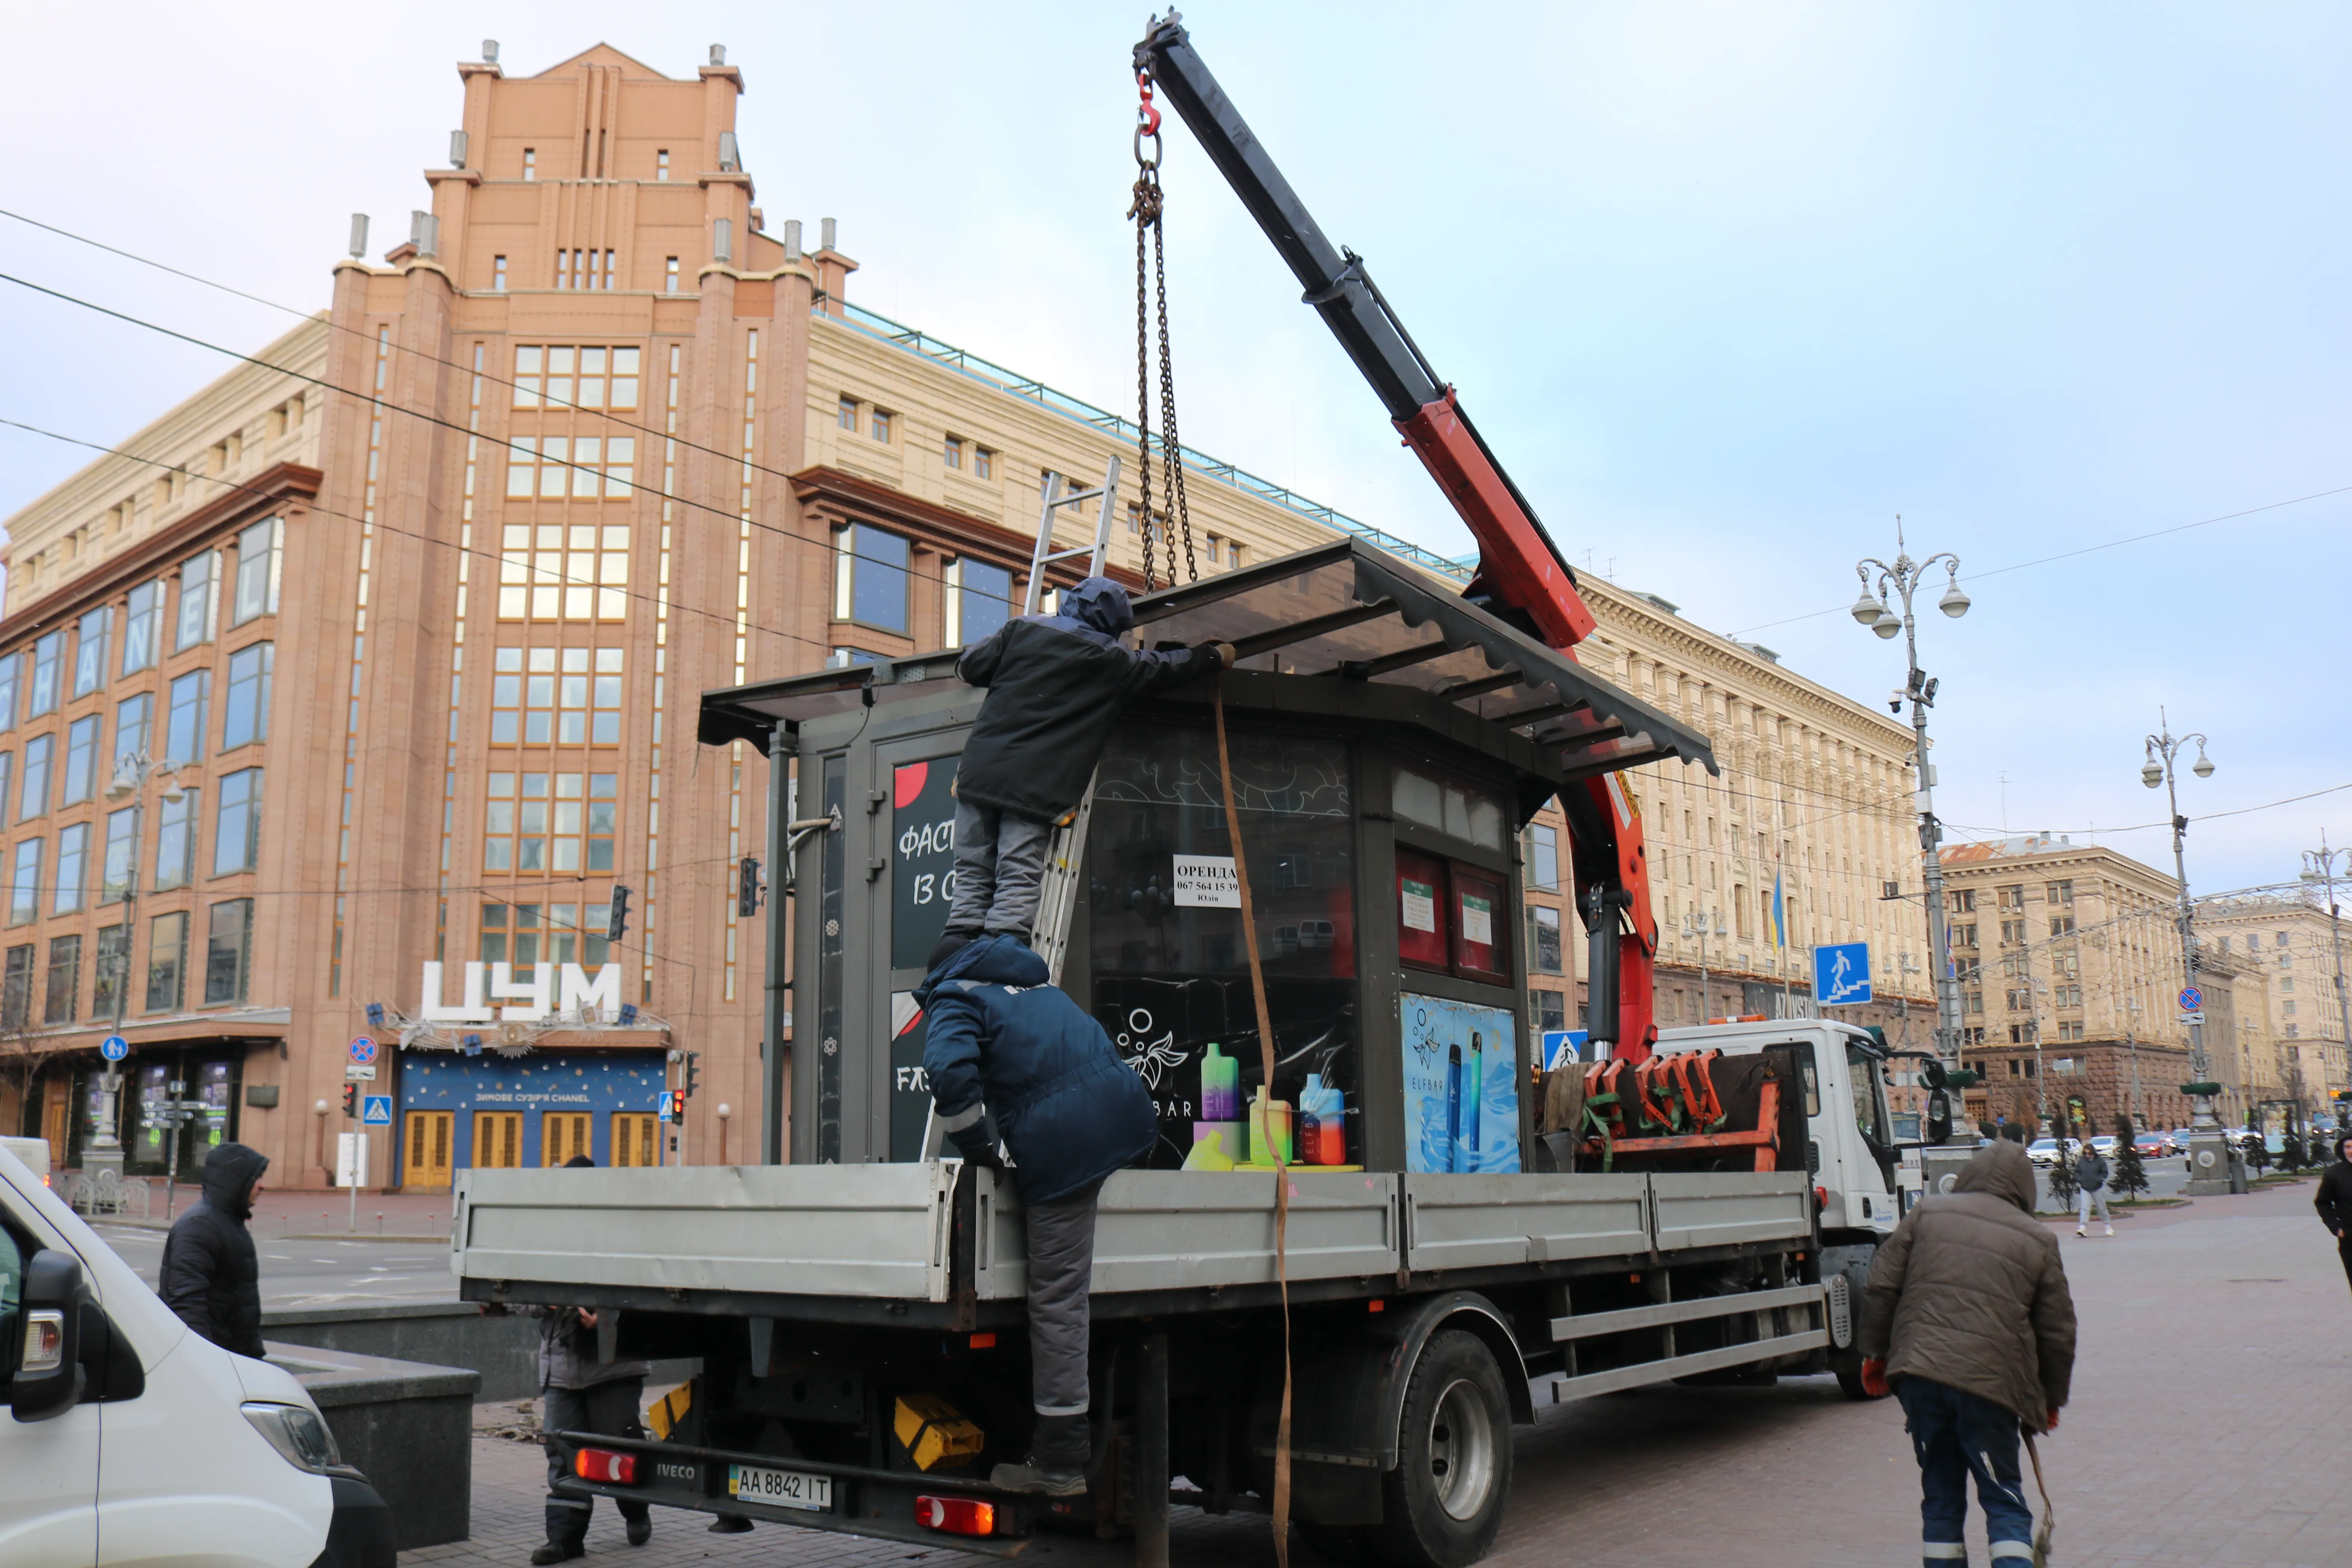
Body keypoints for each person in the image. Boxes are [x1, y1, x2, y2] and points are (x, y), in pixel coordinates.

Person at [916, 933, 1158, 1495]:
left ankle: (1060, 1461)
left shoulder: (954, 995)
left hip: (1065, 1146)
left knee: (1057, 1298)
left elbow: (950, 1074)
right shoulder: (1030, 979)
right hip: (1131, 1118)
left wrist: (978, 1151)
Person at [939, 575, 1231, 961]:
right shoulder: (1111, 660)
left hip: (980, 773)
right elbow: (1166, 668)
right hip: (1035, 787)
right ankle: (1002, 953)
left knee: (972, 866)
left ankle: (956, 945)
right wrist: (1214, 656)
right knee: (1018, 870)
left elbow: (970, 665)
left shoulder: (1021, 630)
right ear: (1112, 622)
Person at [1857, 1138, 2077, 1568]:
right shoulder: (2038, 1239)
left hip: (1919, 1376)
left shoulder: (1926, 1214)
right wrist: (2051, 1400)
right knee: (2004, 1500)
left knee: (1940, 1494)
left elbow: (1882, 1285)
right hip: (1990, 1387)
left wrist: (1875, 1354)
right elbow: (2058, 1332)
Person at [514, 1154, 653, 1563]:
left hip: (615, 1367)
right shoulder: (546, 1236)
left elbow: (650, 1293)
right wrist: (547, 1299)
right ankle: (565, 1540)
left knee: (620, 1452)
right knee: (563, 1454)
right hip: (561, 1370)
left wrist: (607, 1319)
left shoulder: (624, 1232)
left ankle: (637, 1509)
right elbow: (515, 1293)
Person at [158, 1141, 269, 1359]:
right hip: (216, 1363)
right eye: (256, 1179)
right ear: (236, 1181)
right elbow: (188, 1305)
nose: (263, 1185)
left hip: (233, 1359)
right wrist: (209, 1363)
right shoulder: (200, 1226)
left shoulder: (228, 1223)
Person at [2313, 1133, 2352, 1293]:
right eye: (2348, 1147)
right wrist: (2336, 1227)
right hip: (2350, 1240)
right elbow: (2323, 1202)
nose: (2351, 1151)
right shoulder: (2334, 1174)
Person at [2074, 1139, 2113, 1237]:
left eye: (2089, 1153)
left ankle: (2108, 1227)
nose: (2088, 1155)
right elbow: (2077, 1172)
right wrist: (2080, 1179)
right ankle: (2083, 1228)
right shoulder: (2082, 1161)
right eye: (2086, 1153)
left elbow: (2105, 1172)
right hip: (2085, 1188)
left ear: (2093, 1153)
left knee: (2102, 1208)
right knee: (2085, 1208)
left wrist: (2100, 1179)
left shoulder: (2100, 1161)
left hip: (2098, 1188)